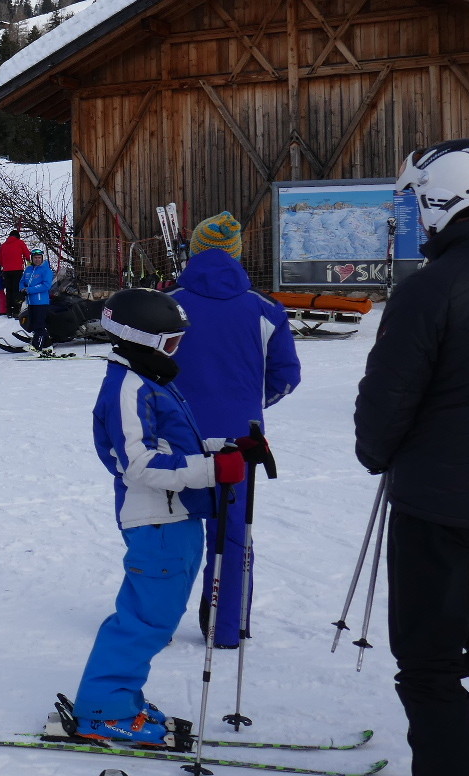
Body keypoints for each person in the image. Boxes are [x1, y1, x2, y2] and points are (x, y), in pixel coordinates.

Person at [356, 139, 469, 776]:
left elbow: (385, 404)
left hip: (438, 508)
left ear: (442, 201)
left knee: (430, 666)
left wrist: (377, 453)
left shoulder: (433, 288)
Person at [72, 288, 257, 745]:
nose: (177, 350)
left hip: (177, 517)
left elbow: (174, 448)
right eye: (170, 341)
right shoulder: (128, 387)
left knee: (157, 617)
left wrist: (227, 450)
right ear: (141, 339)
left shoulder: (151, 380)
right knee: (143, 620)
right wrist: (214, 469)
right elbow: (139, 463)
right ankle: (103, 710)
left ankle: (123, 698)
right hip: (156, 521)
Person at [167, 212, 300, 648]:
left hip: (176, 436)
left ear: (194, 252)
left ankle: (153, 624)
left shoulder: (168, 303)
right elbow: (284, 376)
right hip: (239, 441)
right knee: (233, 534)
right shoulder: (264, 309)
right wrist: (251, 406)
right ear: (237, 255)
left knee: (166, 528)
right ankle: (226, 628)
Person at [21, 249, 58, 352]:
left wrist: (29, 290)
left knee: (39, 325)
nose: (37, 260)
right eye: (35, 258)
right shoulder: (28, 270)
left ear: (42, 258)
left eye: (39, 258)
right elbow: (22, 281)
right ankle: (47, 345)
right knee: (33, 324)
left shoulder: (46, 270)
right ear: (32, 258)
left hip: (41, 302)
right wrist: (22, 289)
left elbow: (46, 285)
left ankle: (37, 346)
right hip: (31, 302)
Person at [0, 229, 32, 319]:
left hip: (6, 271)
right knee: (17, 290)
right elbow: (28, 256)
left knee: (9, 290)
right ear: (17, 236)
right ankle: (16, 310)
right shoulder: (20, 243)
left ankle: (9, 310)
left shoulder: (3, 245)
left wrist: (6, 264)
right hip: (18, 270)